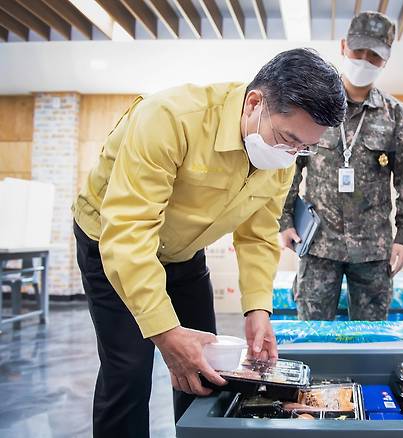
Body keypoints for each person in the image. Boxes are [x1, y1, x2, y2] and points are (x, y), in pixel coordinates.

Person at [72, 48, 346, 437]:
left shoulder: (282, 160)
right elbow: (129, 232)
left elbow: (258, 233)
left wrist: (257, 310)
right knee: (128, 370)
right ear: (255, 103)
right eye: (287, 138)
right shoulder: (169, 119)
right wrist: (165, 333)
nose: (291, 155)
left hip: (183, 250)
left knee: (207, 366)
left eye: (303, 148)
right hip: (111, 240)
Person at [279, 11, 403, 321]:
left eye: (374, 55)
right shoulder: (314, 108)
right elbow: (289, 165)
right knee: (315, 340)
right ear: (344, 46)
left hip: (373, 251)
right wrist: (285, 219)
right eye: (359, 51)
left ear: (385, 60)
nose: (364, 60)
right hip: (318, 245)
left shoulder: (395, 115)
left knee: (370, 343)